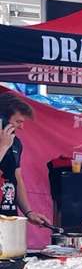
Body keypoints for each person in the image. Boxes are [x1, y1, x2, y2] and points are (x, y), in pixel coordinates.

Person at [0, 92, 51, 226]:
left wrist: (29, 212)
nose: (21, 127)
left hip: (9, 217)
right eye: (18, 121)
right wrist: (3, 146)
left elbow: (17, 178)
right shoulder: (5, 143)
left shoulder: (16, 143)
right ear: (2, 119)